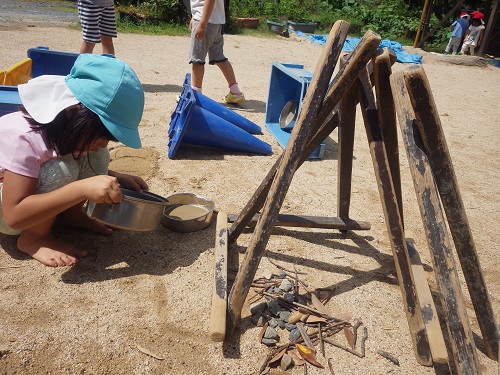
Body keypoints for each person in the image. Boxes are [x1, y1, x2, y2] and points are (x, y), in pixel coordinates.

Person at [0, 54, 148, 267]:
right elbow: (14, 215)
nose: (105, 144)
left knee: (96, 155)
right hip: (8, 213)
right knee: (63, 169)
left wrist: (114, 176)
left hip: (23, 200)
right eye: (103, 135)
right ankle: (34, 238)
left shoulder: (63, 127)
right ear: (72, 112)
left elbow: (61, 154)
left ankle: (70, 215)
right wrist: (80, 189)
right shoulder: (22, 137)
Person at [189, 0, 245, 104]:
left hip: (205, 20)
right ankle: (235, 92)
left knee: (197, 60)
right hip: (216, 22)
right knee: (219, 58)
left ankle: (195, 95)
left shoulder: (203, 22)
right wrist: (194, 16)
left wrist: (202, 23)